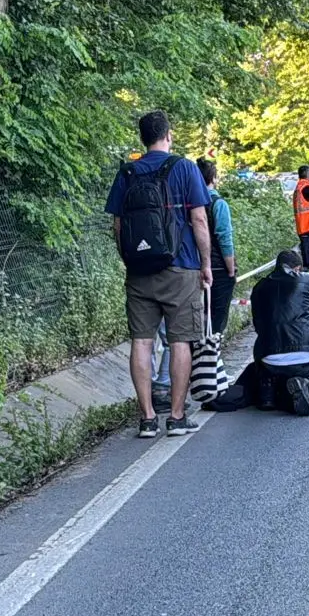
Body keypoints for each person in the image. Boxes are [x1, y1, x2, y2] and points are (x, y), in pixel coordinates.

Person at [106, 110, 212, 438]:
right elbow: (199, 220)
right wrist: (206, 264)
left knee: (142, 341)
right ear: (169, 135)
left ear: (142, 138)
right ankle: (176, 417)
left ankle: (147, 418)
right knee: (180, 341)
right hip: (180, 268)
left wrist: (130, 260)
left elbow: (118, 225)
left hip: (139, 271)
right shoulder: (184, 168)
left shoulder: (127, 172)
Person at [245, 250, 309, 415]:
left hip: (269, 358)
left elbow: (258, 325)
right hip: (308, 356)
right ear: (298, 268)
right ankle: (307, 385)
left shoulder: (259, 287)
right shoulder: (308, 280)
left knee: (268, 368)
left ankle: (267, 393)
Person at [201, 158, 237, 337]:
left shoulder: (189, 203)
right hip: (218, 269)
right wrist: (231, 269)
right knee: (216, 319)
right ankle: (213, 358)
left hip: (193, 268)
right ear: (213, 178)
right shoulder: (218, 204)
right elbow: (225, 238)